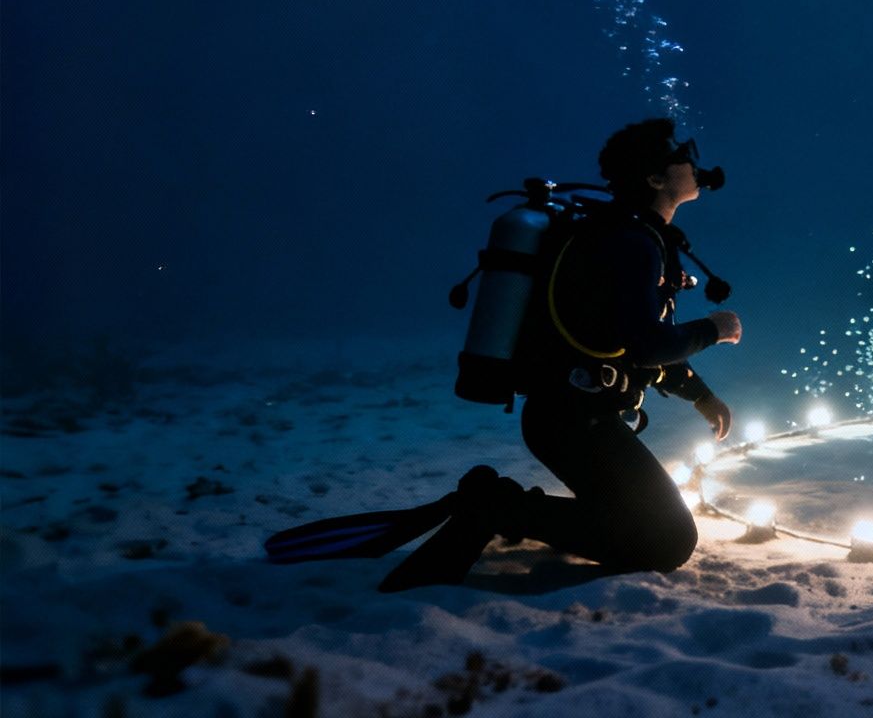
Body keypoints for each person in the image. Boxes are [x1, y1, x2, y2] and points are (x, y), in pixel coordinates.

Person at [265, 118, 743, 590]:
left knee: (643, 526)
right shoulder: (633, 244)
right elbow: (646, 345)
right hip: (573, 422)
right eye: (682, 156)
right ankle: (496, 508)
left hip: (571, 417)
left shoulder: (627, 237)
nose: (694, 164)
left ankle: (500, 506)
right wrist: (715, 329)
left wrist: (700, 396)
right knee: (668, 542)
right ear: (655, 177)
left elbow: (621, 344)